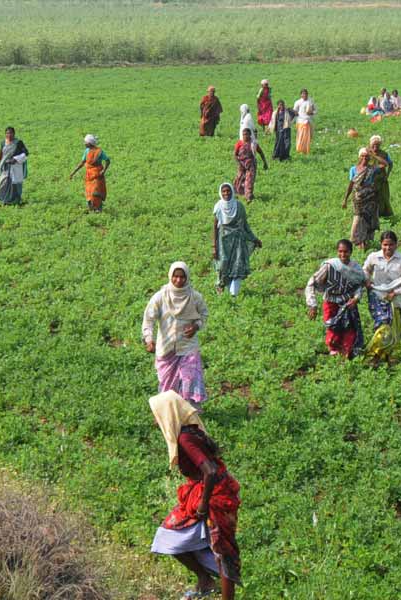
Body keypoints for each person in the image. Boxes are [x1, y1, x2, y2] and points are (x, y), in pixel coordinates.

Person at [149, 390, 241, 600]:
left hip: (215, 495)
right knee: (168, 535)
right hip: (207, 489)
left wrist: (203, 505)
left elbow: (209, 470)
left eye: (157, 415)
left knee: (222, 550)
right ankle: (205, 580)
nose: (156, 420)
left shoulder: (185, 438)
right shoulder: (190, 431)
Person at [142, 263, 210, 409]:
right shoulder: (160, 297)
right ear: (170, 276)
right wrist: (149, 339)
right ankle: (165, 413)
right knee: (167, 384)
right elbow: (149, 319)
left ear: (187, 277)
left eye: (182, 277)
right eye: (175, 276)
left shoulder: (194, 297)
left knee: (190, 379)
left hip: (188, 347)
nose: (178, 280)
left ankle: (190, 414)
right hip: (166, 348)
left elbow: (204, 314)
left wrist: (196, 326)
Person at [363, 231, 401, 366]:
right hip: (377, 297)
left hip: (395, 299)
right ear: (381, 244)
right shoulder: (374, 257)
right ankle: (374, 355)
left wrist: (396, 292)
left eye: (391, 245)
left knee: (394, 330)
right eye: (385, 245)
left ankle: (387, 355)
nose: (388, 248)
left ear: (396, 245)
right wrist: (367, 281)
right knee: (383, 325)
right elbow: (365, 270)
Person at [305, 239, 367, 359]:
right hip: (331, 302)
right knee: (333, 328)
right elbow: (312, 282)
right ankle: (334, 352)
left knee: (349, 328)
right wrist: (312, 304)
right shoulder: (330, 266)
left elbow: (359, 285)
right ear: (337, 252)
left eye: (346, 252)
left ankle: (346, 353)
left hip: (348, 303)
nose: (343, 255)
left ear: (351, 252)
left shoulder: (356, 269)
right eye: (340, 251)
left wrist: (356, 299)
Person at [213, 182, 262, 297]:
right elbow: (215, 227)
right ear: (221, 193)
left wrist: (254, 239)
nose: (226, 193)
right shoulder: (218, 207)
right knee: (223, 265)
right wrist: (214, 246)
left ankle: (233, 294)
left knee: (237, 265)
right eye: (224, 191)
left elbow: (245, 225)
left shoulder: (239, 206)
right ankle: (220, 286)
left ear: (232, 191)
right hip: (223, 242)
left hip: (238, 241)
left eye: (228, 190)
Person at [343, 148, 386, 251]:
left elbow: (384, 164)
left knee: (368, 219)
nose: (364, 158)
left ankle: (365, 243)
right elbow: (351, 184)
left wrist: (374, 155)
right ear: (359, 157)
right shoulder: (354, 169)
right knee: (358, 218)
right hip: (358, 198)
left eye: (367, 156)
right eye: (362, 156)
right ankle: (356, 240)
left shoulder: (372, 168)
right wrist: (345, 199)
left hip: (370, 198)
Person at [69, 134, 110, 212]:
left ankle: (98, 210)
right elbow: (82, 163)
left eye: (85, 142)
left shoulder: (99, 152)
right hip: (89, 175)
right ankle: (91, 209)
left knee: (96, 192)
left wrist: (104, 170)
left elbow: (108, 160)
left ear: (90, 143)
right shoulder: (87, 151)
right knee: (89, 193)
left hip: (98, 175)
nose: (84, 143)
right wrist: (73, 172)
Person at [0, 126, 28, 205]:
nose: (9, 135)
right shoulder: (3, 143)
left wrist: (15, 159)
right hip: (5, 166)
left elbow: (26, 153)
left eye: (11, 133)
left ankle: (15, 200)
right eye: (7, 133)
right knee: (3, 183)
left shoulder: (18, 142)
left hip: (15, 166)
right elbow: (0, 154)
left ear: (14, 134)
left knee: (15, 184)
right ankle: (5, 199)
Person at [233, 128, 268, 202]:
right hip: (241, 164)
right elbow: (235, 154)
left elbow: (261, 152)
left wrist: (265, 162)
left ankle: (248, 196)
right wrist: (238, 162)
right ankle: (238, 194)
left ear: (250, 135)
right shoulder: (239, 143)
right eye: (243, 134)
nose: (245, 136)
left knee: (249, 180)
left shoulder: (254, 144)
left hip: (251, 164)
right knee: (239, 179)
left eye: (246, 134)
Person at [369, 135, 394, 218]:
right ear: (370, 144)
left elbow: (390, 164)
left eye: (377, 145)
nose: (375, 146)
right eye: (374, 144)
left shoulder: (384, 154)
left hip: (382, 180)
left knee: (383, 198)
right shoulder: (367, 153)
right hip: (370, 180)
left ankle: (384, 215)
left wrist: (387, 175)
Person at [293, 89, 317, 154]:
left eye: (305, 94)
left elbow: (315, 110)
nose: (304, 95)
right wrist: (295, 113)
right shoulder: (297, 102)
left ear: (307, 94)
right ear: (301, 95)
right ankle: (299, 149)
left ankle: (306, 150)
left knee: (307, 137)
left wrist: (311, 112)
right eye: (303, 94)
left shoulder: (311, 101)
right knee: (300, 136)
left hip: (308, 121)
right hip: (300, 121)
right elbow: (294, 111)